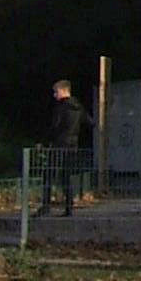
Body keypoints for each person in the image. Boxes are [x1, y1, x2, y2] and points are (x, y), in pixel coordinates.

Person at [45, 78, 87, 215]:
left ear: (63, 91)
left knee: (49, 174)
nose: (54, 95)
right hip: (72, 145)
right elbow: (89, 122)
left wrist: (49, 138)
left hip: (59, 144)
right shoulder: (78, 107)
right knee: (66, 176)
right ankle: (69, 207)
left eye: (56, 92)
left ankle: (46, 205)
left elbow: (55, 125)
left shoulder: (61, 107)